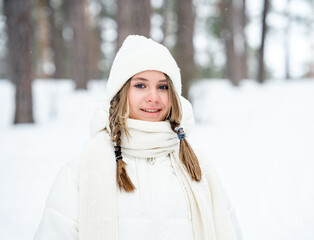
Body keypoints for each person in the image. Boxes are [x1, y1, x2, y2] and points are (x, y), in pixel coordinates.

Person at [34, 35, 242, 240]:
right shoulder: (83, 167)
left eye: (163, 87)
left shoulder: (195, 164)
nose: (153, 97)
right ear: (121, 92)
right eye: (140, 85)